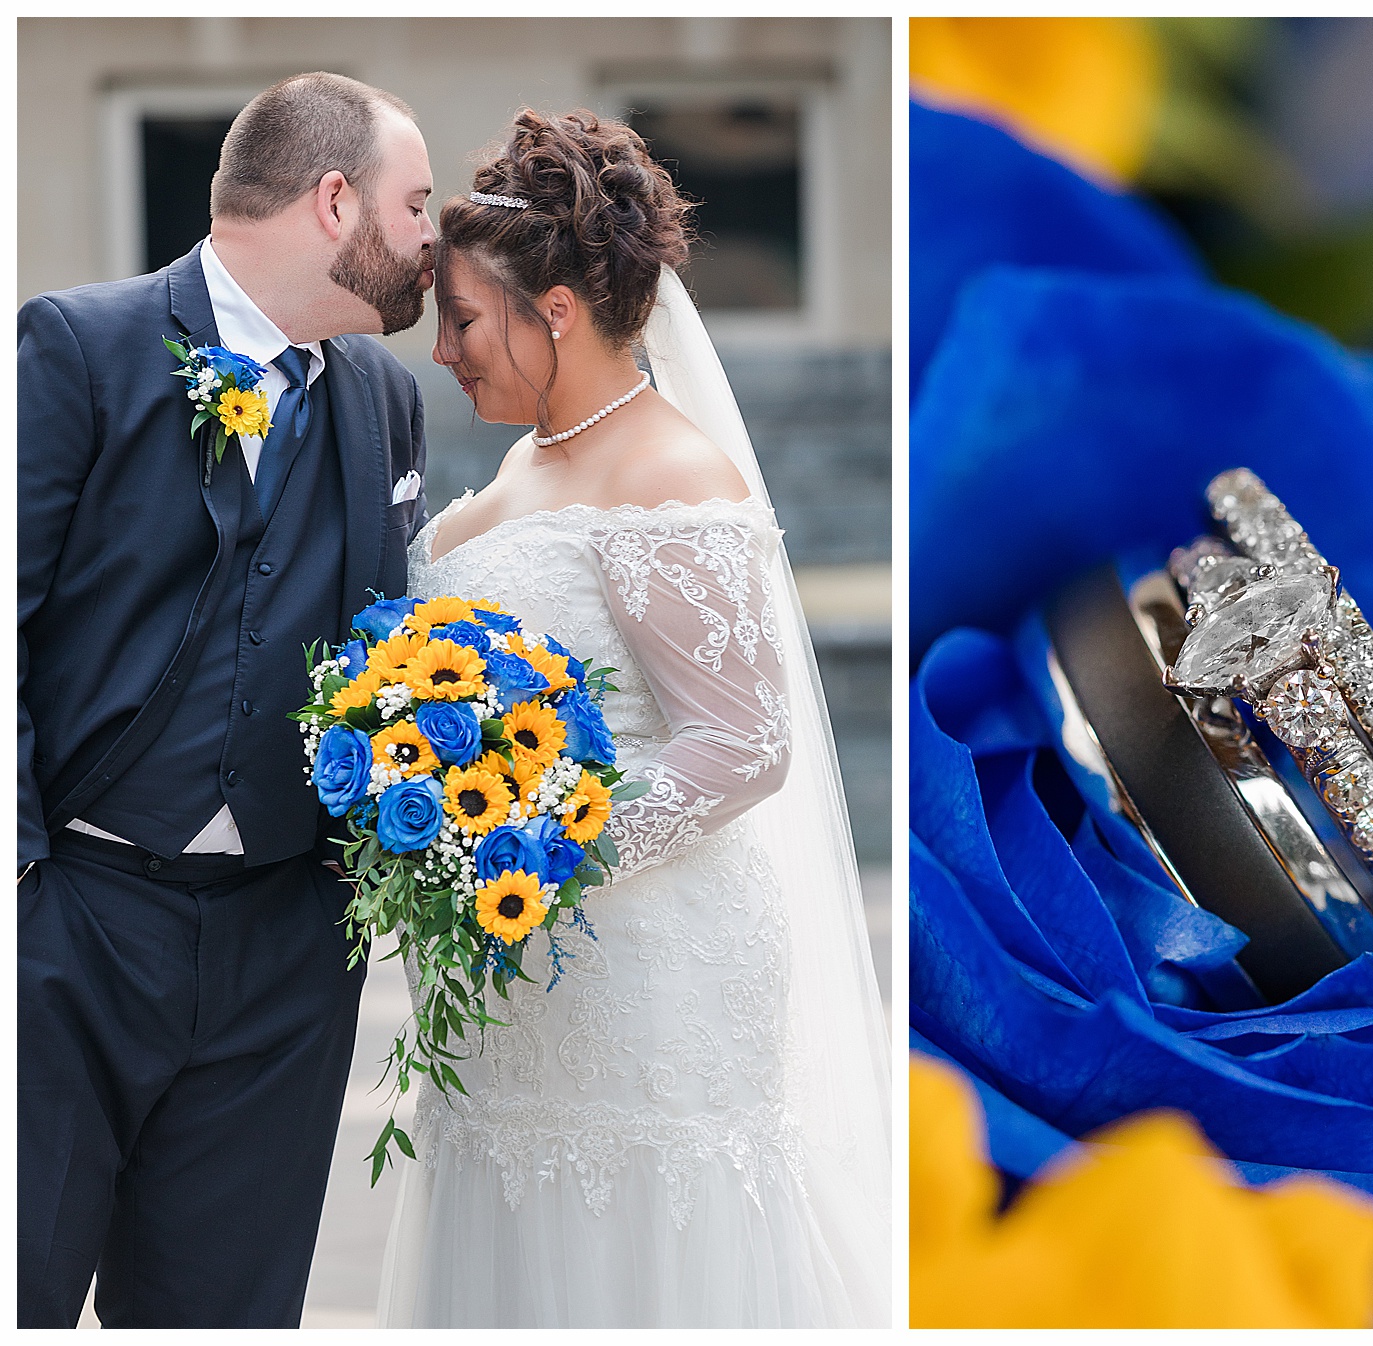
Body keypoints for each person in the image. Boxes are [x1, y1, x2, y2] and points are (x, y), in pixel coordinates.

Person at [374, 109, 890, 1328]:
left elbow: (743, 744)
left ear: (555, 309)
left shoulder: (667, 472)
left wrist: (534, 852)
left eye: (463, 318)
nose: (443, 350)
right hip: (521, 986)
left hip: (649, 973)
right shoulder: (529, 462)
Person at [17, 72, 434, 1327]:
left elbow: (388, 652)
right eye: (415, 205)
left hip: (282, 960)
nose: (434, 238)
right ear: (333, 200)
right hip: (70, 928)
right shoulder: (81, 348)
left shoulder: (387, 403)